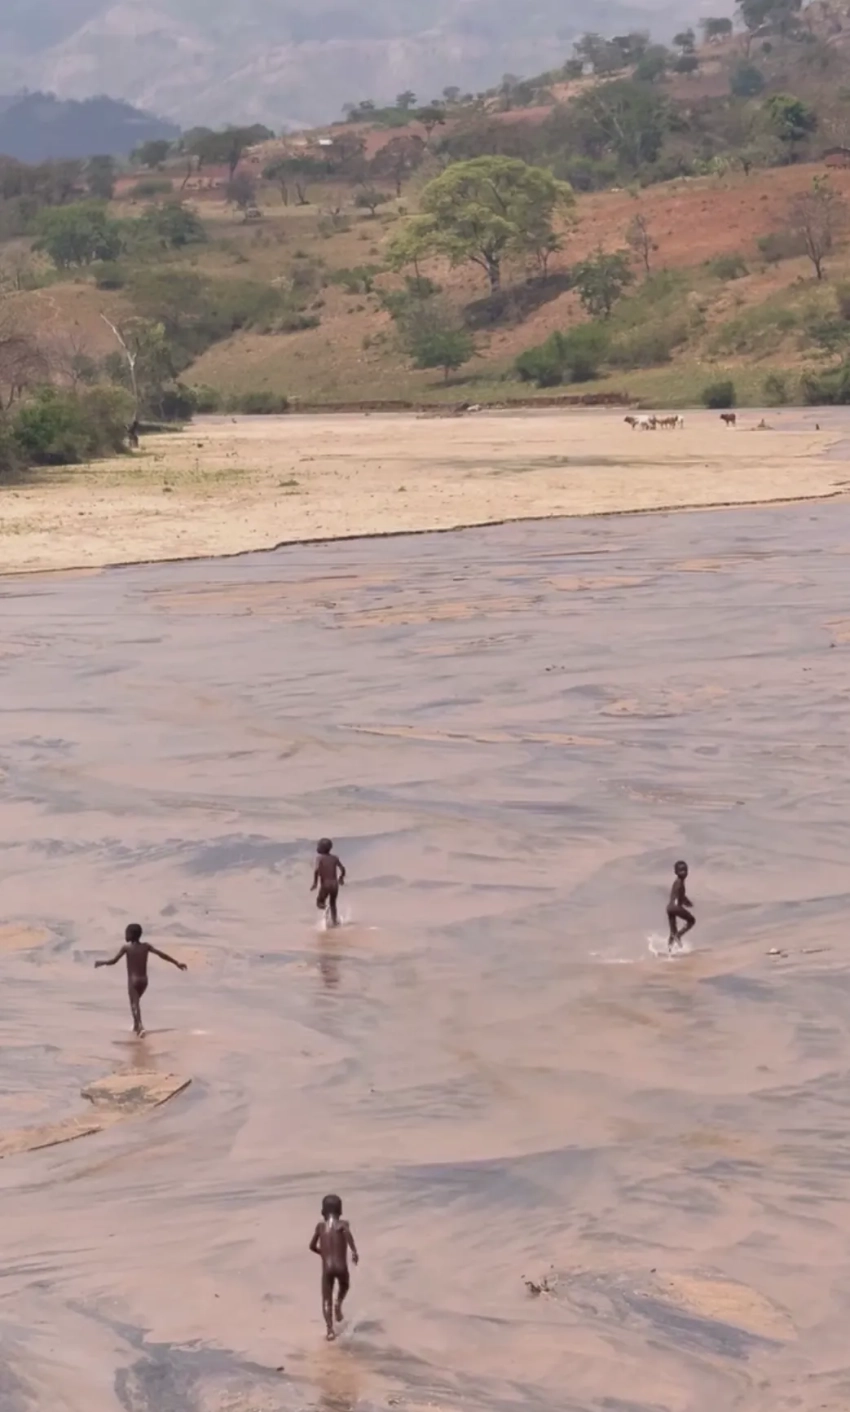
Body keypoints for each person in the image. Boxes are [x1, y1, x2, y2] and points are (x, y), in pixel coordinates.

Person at [94, 923, 187, 1036]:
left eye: (127, 932)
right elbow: (161, 955)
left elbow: (113, 961)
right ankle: (135, 1026)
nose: (125, 934)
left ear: (131, 934)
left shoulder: (126, 948)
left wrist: (101, 963)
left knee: (134, 1004)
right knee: (135, 1002)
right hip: (144, 981)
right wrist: (177, 963)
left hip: (133, 981)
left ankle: (140, 1027)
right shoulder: (146, 946)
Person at [309, 1194, 359, 1339]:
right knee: (345, 1285)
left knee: (326, 1300)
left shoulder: (320, 1227)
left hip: (327, 1268)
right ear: (341, 1211)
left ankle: (330, 1330)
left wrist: (323, 1253)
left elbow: (311, 1246)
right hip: (341, 1267)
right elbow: (347, 1233)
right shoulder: (343, 1224)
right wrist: (354, 1251)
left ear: (322, 1212)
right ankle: (339, 1303)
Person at [311, 838, 346, 927]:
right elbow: (342, 869)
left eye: (318, 846)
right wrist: (341, 878)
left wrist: (315, 883)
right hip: (335, 884)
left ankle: (325, 908)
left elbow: (316, 870)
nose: (317, 847)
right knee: (333, 903)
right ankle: (334, 922)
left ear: (321, 848)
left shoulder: (319, 858)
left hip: (325, 884)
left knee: (319, 902)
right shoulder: (335, 858)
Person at [667, 860, 695, 951]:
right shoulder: (680, 883)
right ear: (676, 872)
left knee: (672, 932)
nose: (684, 872)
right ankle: (679, 935)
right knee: (691, 920)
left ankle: (669, 951)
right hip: (675, 907)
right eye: (681, 870)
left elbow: (678, 895)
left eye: (685, 870)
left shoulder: (677, 882)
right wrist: (688, 903)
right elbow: (681, 897)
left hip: (669, 908)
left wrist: (686, 902)